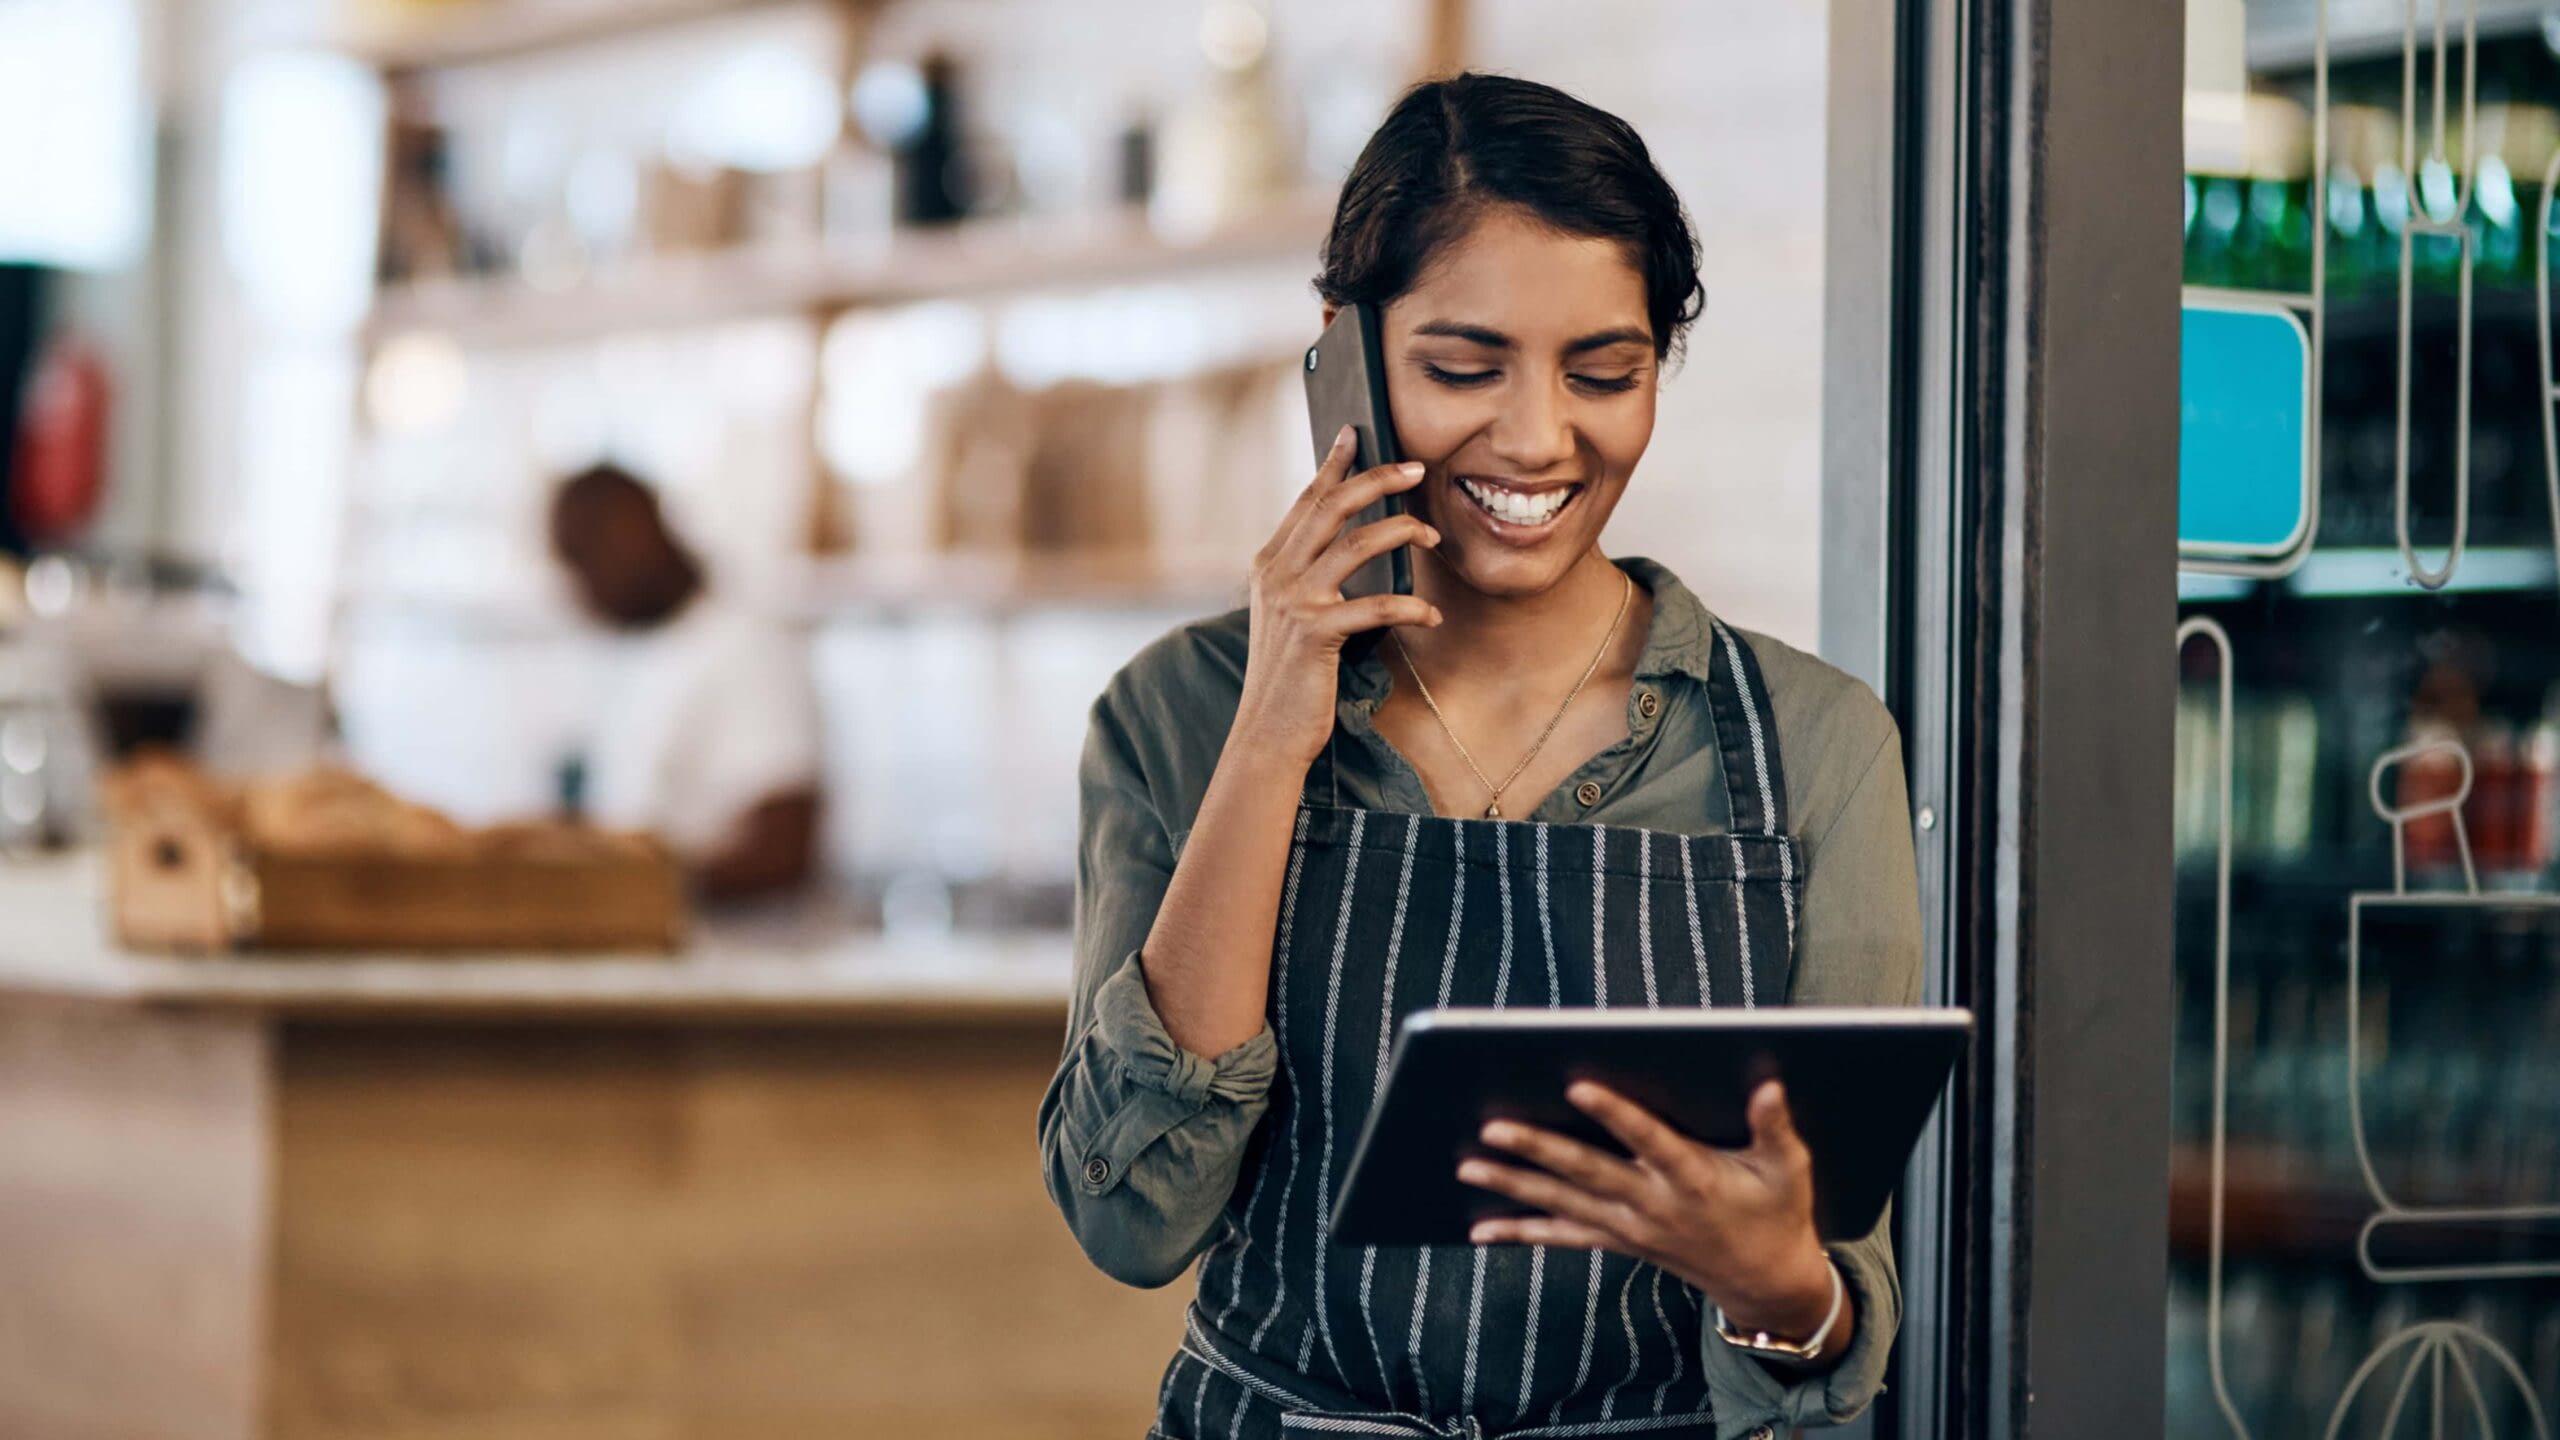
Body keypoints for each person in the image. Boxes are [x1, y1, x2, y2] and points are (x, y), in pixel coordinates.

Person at [1038, 74, 1923, 1439]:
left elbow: (1829, 1333)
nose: (1536, 437)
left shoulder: (1815, 747)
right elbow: (1133, 1218)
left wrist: (1774, 1284)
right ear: (1344, 354)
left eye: (1604, 374)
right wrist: (1272, 730)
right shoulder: (1177, 711)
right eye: (1463, 369)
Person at [547, 461, 823, 901]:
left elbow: (783, 845)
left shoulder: (745, 645)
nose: (580, 590)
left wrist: (632, 888)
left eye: (583, 560)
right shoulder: (643, 656)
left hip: (729, 941)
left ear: (632, 533)